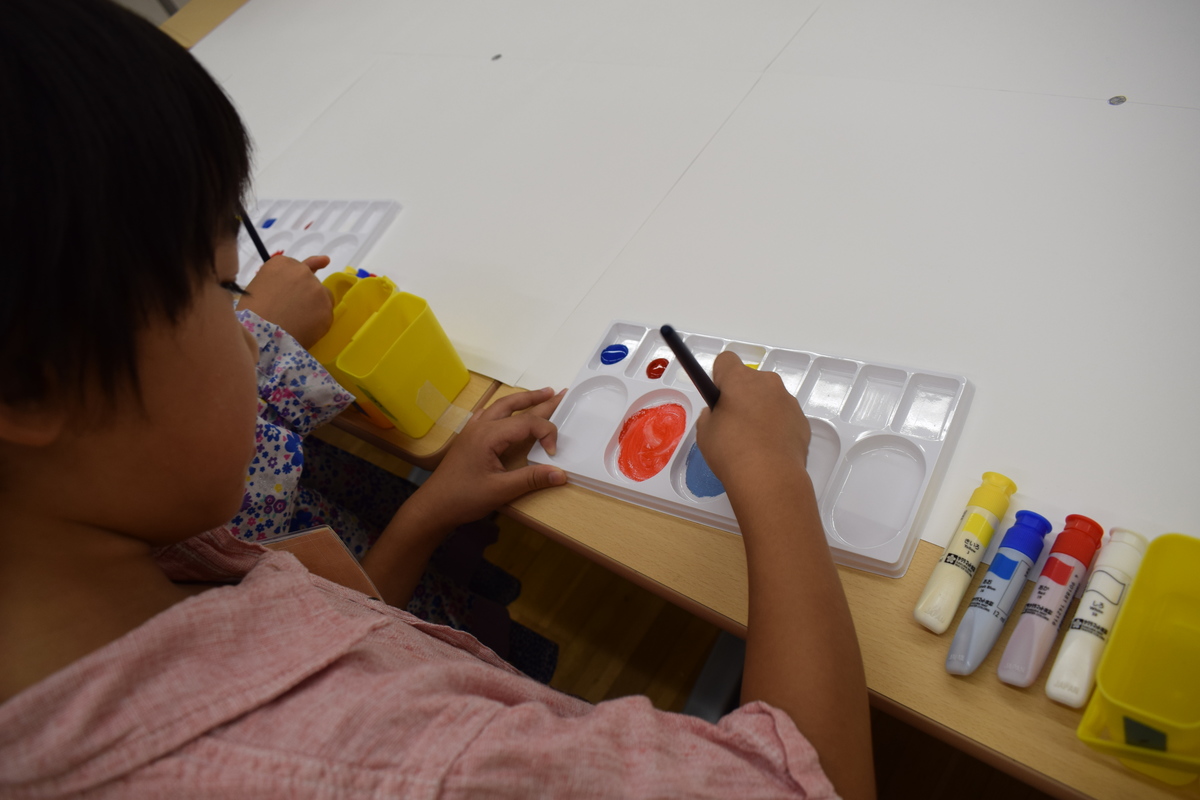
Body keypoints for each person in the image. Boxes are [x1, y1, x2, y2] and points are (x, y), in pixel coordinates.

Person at [0, 1, 875, 797]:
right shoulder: (422, 764)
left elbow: (327, 614)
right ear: (35, 383)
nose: (251, 337)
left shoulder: (113, 569)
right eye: (225, 293)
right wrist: (773, 477)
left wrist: (426, 512)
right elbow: (810, 783)